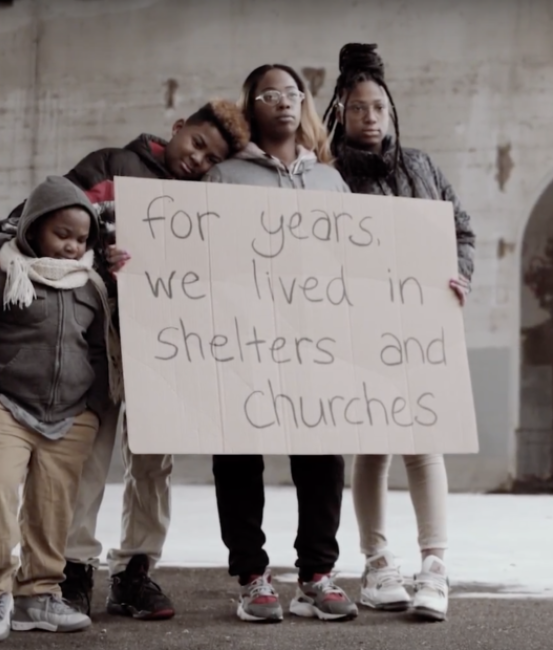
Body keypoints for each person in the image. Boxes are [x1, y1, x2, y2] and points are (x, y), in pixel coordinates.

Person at [0, 99, 250, 619]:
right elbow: (40, 214)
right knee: (88, 455)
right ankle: (73, 567)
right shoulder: (109, 166)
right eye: (195, 143)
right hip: (95, 335)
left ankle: (135, 570)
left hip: (165, 341)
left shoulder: (207, 199)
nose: (197, 160)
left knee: (152, 462)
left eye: (210, 157)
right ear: (177, 128)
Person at [323, 43, 476, 622]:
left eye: (379, 108)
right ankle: (378, 561)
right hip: (359, 329)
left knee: (424, 441)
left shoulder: (423, 167)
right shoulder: (327, 176)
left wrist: (459, 276)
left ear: (391, 111)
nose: (370, 117)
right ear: (342, 111)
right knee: (373, 443)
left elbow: (461, 229)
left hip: (419, 328)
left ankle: (434, 565)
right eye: (359, 108)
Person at [204, 64, 358, 623]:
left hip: (314, 341)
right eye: (269, 94)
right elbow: (203, 261)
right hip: (246, 339)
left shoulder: (330, 182)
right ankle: (252, 576)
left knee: (322, 456)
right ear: (252, 107)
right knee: (239, 455)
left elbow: (354, 262)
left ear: (304, 104)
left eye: (292, 93)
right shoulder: (224, 178)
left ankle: (316, 575)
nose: (283, 102)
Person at [0, 176, 110, 643]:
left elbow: (98, 351)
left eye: (81, 238)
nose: (73, 247)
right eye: (62, 235)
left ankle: (38, 594)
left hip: (69, 415)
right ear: (33, 229)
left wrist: (91, 407)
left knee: (53, 507)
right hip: (5, 407)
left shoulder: (91, 287)